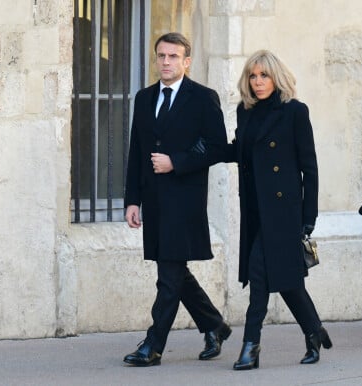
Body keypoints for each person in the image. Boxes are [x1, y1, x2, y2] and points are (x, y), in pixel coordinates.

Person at [122, 32, 231, 366]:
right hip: (154, 202)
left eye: (173, 56)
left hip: (184, 201)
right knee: (175, 272)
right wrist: (132, 200)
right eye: (161, 56)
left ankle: (153, 346)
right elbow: (136, 152)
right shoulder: (143, 98)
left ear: (186, 61)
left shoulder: (203, 98)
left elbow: (217, 147)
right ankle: (214, 326)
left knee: (168, 276)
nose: (166, 62)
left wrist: (176, 161)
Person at [221, 50, 332, 369]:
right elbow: (238, 150)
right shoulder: (246, 111)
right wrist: (201, 151)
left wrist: (308, 219)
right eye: (253, 76)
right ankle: (314, 331)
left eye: (264, 75)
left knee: (260, 277)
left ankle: (250, 347)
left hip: (284, 212)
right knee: (288, 281)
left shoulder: (295, 112)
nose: (257, 82)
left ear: (276, 77)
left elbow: (309, 170)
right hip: (256, 210)